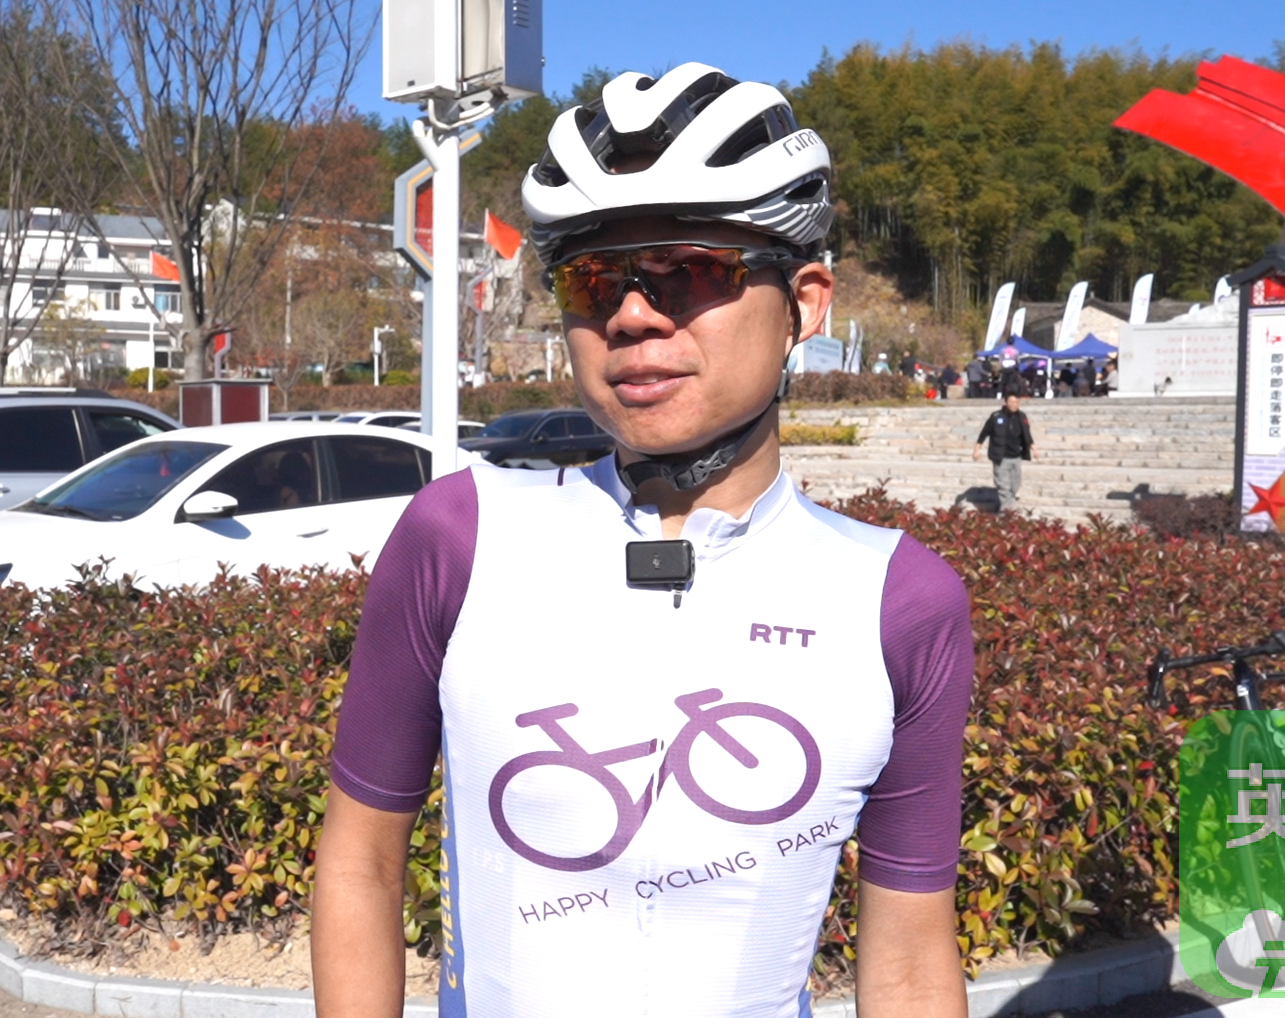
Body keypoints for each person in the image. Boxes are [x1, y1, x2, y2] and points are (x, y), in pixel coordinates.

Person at [312, 62, 975, 1018]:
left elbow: (910, 963)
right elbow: (360, 865)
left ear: (807, 302)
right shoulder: (457, 537)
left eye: (691, 271)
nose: (630, 315)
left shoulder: (899, 602)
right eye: (593, 280)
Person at [973, 390, 1037, 512]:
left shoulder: (1022, 416)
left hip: (1016, 456)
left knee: (1015, 484)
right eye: (1011, 402)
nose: (1014, 404)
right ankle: (1005, 513)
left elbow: (1026, 433)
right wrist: (977, 449)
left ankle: (1008, 506)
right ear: (1006, 402)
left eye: (1016, 402)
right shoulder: (996, 416)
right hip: (1000, 457)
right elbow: (984, 433)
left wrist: (1033, 446)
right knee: (1003, 486)